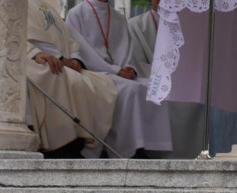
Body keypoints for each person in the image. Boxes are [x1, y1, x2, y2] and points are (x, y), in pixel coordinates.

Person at [65, 0, 173, 158]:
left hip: (118, 73)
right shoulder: (76, 13)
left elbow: (127, 49)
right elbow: (81, 51)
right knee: (131, 90)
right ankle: (127, 149)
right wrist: (115, 69)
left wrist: (130, 68)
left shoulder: (119, 17)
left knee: (154, 89)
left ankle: (151, 146)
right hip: (96, 72)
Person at [26, 0, 118, 158]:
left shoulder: (50, 8)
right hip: (39, 59)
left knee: (103, 84)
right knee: (61, 77)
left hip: (62, 62)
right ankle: (61, 142)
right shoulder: (23, 5)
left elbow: (70, 40)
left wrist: (75, 60)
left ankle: (79, 140)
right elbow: (29, 38)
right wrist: (57, 58)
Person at [126, 0, 205, 158]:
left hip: (184, 83)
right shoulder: (135, 25)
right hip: (152, 81)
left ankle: (193, 156)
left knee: (197, 100)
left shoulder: (186, 23)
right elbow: (138, 63)